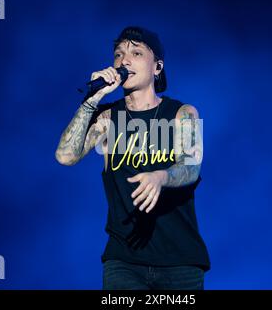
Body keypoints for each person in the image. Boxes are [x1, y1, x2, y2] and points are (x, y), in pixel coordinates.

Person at [55, 26, 210, 290]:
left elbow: (191, 166)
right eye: (118, 55)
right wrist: (91, 101)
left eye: (136, 53)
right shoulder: (105, 118)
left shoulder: (181, 114)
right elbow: (65, 156)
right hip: (123, 262)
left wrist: (161, 177)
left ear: (157, 67)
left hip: (180, 262)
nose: (124, 61)